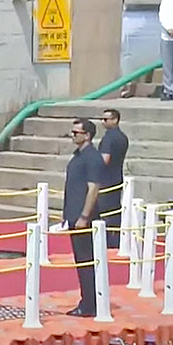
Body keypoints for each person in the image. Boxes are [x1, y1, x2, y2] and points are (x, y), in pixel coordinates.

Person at [62, 118, 104, 317]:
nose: (72, 136)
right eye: (72, 132)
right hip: (74, 215)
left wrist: (84, 216)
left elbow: (93, 188)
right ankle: (87, 300)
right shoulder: (78, 156)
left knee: (86, 261)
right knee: (82, 261)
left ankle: (90, 304)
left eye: (76, 133)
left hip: (83, 219)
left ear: (87, 135)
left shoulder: (92, 158)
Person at [98, 108, 129, 242]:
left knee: (104, 213)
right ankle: (116, 240)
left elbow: (104, 159)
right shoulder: (123, 137)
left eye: (106, 119)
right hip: (117, 177)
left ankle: (105, 241)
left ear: (115, 120)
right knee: (115, 211)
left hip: (105, 180)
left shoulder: (108, 138)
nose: (103, 122)